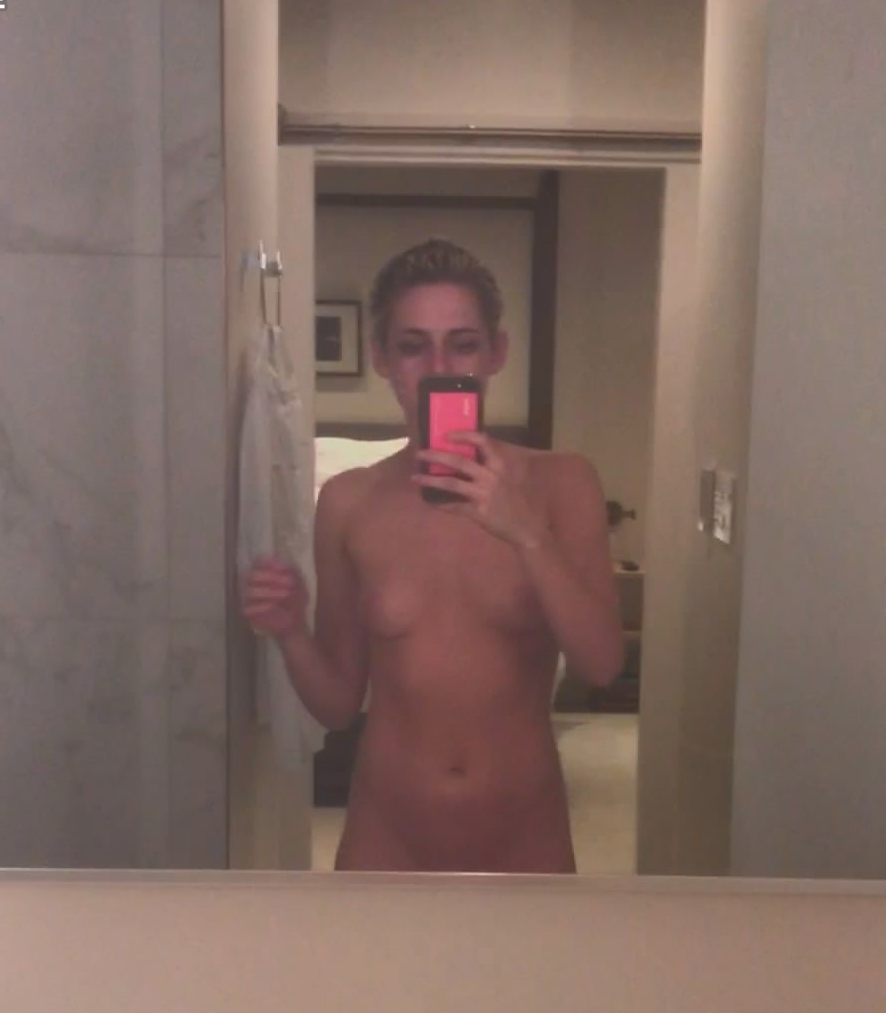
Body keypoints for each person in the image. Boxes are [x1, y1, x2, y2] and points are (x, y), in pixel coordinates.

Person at [242, 237, 624, 872]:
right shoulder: (348, 502)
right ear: (383, 359)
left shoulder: (563, 483)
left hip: (524, 837)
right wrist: (290, 633)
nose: (439, 366)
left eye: (463, 344)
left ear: (496, 352)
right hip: (387, 838)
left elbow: (603, 664)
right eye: (413, 346)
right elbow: (337, 704)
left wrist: (529, 536)